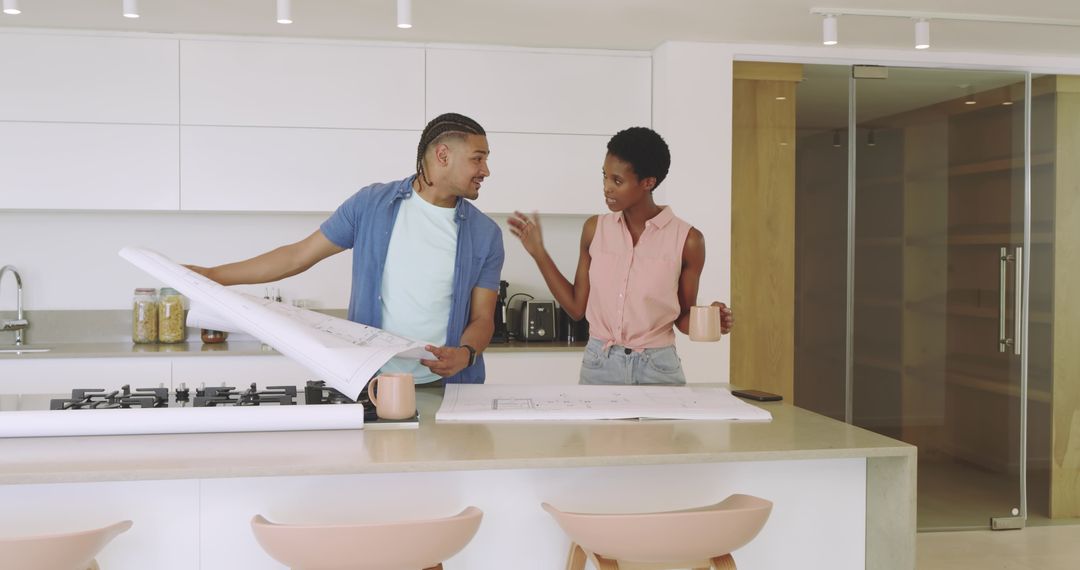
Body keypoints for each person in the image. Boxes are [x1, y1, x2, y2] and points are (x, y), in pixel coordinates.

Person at [187, 113, 504, 385]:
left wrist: (466, 354)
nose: (486, 170)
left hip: (449, 387)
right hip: (372, 382)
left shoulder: (485, 234)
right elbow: (297, 256)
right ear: (443, 155)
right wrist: (212, 275)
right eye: (478, 158)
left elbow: (482, 318)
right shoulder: (371, 205)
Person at [507, 126, 733, 385]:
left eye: (617, 181)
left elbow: (682, 319)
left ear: (648, 182)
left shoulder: (688, 240)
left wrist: (713, 318)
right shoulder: (594, 229)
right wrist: (539, 253)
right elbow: (576, 308)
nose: (606, 188)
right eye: (604, 176)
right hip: (599, 365)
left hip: (657, 368)